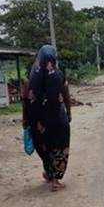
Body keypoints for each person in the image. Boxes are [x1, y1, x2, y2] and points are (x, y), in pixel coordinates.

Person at [24, 45, 72, 191]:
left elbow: (26, 100)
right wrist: (69, 112)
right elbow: (66, 96)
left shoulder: (31, 78)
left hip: (38, 122)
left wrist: (25, 118)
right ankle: (55, 179)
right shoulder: (59, 75)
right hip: (58, 120)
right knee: (59, 148)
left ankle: (49, 173)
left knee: (44, 147)